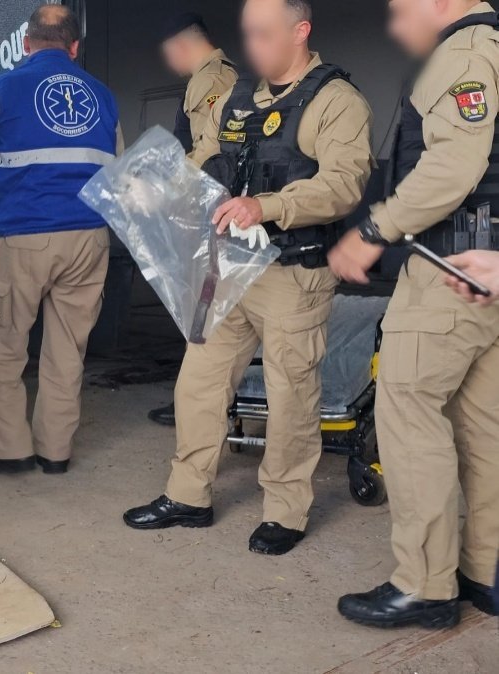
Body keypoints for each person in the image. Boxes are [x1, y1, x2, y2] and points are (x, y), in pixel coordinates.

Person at [124, 0, 374, 557]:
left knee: (290, 398)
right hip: (232, 268)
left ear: (301, 31)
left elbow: (343, 184)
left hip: (294, 274)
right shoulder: (240, 97)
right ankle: (188, 495)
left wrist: (267, 206)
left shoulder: (336, 101)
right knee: (198, 383)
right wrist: (160, 185)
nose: (253, 46)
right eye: (249, 34)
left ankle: (285, 511)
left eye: (265, 34)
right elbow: (211, 152)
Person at [331, 0, 499, 629]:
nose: (397, 26)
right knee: (482, 429)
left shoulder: (463, 54)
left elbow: (453, 167)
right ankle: (484, 572)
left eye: (402, 10)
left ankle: (425, 586)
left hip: (449, 270)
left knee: (407, 413)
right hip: (487, 272)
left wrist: (376, 228)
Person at [0, 4, 124, 475]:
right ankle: (55, 452)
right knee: (67, 351)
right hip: (89, 239)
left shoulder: (1, 90)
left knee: (0, 347)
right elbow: (119, 174)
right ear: (74, 47)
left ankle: (11, 450)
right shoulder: (104, 97)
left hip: (23, 236)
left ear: (25, 43)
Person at [149, 12, 239, 427]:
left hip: (210, 215)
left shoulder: (211, 80)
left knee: (206, 312)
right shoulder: (214, 76)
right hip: (210, 213)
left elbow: (212, 153)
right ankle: (197, 401)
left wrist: (167, 186)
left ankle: (200, 404)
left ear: (181, 45)